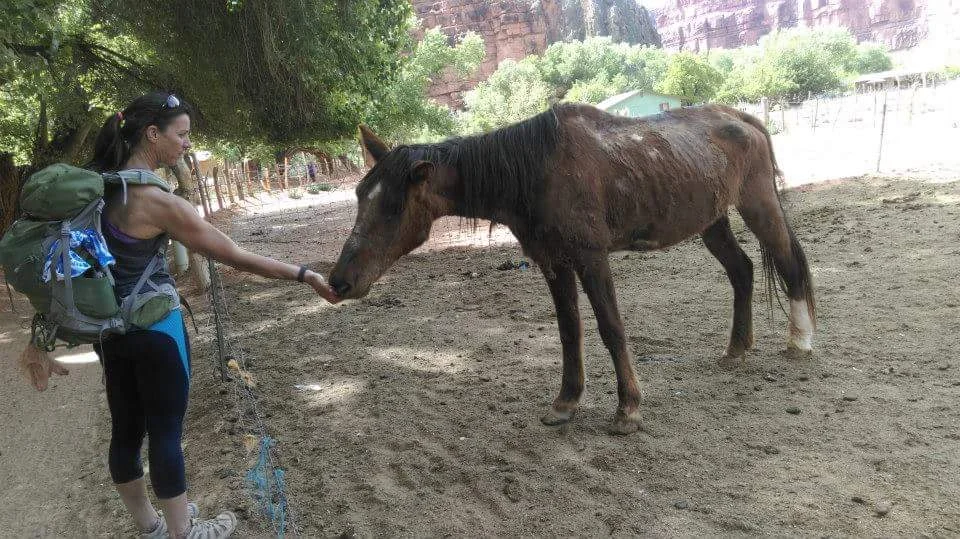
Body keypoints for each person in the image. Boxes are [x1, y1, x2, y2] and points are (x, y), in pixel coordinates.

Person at [16, 91, 339, 538]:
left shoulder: (98, 186)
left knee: (126, 429)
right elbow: (234, 255)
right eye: (182, 135)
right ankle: (183, 533)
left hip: (109, 333)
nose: (187, 145)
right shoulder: (156, 201)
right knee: (167, 432)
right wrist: (304, 274)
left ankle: (152, 525)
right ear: (153, 134)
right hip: (156, 329)